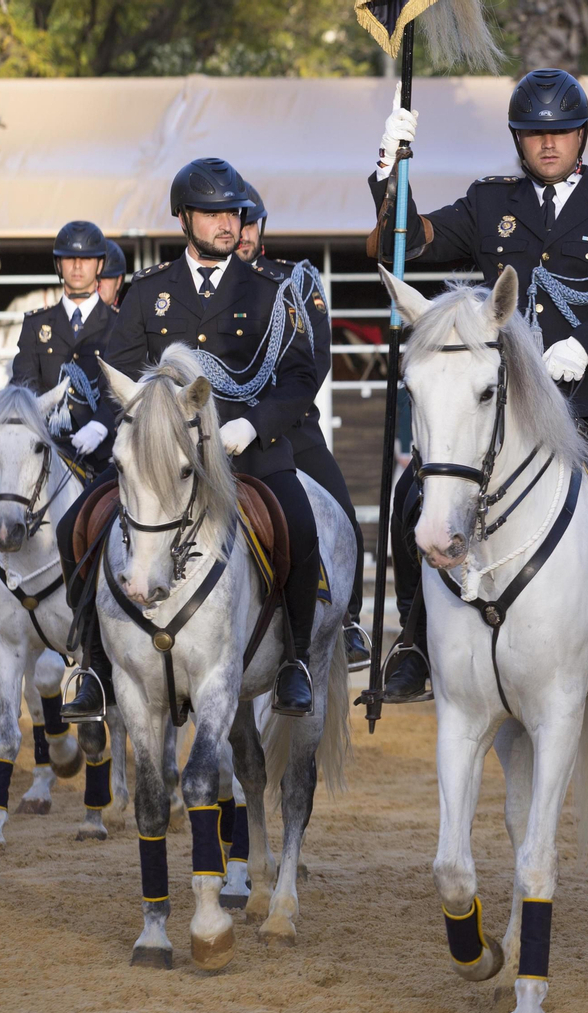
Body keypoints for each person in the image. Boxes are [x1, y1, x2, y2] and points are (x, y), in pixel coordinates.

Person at [368, 68, 588, 704]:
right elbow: (409, 246)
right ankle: (414, 642)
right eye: (534, 134)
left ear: (582, 135)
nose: (548, 144)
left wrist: (586, 345)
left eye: (560, 132)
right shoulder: (490, 203)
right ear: (517, 139)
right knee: (412, 496)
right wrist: (390, 173)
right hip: (509, 404)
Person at [55, 157, 324, 722]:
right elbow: (116, 372)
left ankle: (292, 662)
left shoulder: (270, 289)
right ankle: (95, 668)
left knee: (299, 525)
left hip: (245, 449)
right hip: (159, 458)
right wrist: (127, 428)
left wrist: (253, 424)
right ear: (184, 219)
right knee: (73, 524)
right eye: (212, 214)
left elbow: (302, 375)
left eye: (233, 213)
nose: (227, 224)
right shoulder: (150, 290)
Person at [0, 221, 119, 646]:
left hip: (98, 451)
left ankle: (114, 601)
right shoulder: (36, 324)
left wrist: (101, 425)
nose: (77, 267)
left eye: (85, 259)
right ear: (59, 267)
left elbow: (124, 384)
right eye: (69, 260)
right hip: (41, 448)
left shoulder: (117, 325)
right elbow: (23, 383)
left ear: (99, 265)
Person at [236, 181, 370, 668]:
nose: (243, 233)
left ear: (262, 227)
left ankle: (349, 621)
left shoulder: (295, 282)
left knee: (344, 518)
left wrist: (267, 416)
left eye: (251, 222)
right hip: (229, 435)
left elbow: (316, 360)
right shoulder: (206, 291)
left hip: (294, 429)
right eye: (236, 222)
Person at [98, 238, 127, 308]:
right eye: (95, 278)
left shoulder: (127, 318)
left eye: (105, 277)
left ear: (118, 282)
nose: (98, 283)